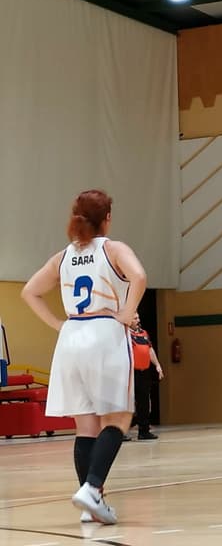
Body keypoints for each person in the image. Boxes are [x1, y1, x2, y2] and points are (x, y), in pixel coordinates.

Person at [21, 189, 147, 525]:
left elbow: (29, 291)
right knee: (118, 419)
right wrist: (126, 312)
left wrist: (58, 324)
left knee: (86, 426)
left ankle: (91, 503)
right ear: (107, 217)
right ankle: (92, 489)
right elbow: (139, 276)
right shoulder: (114, 249)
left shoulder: (62, 257)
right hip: (104, 334)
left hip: (72, 337)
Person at [127, 313, 164, 440]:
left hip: (144, 372)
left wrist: (157, 365)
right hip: (131, 373)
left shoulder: (143, 333)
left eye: (138, 318)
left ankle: (144, 431)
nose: (138, 320)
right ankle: (121, 432)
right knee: (127, 404)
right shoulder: (125, 334)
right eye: (135, 318)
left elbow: (150, 350)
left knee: (144, 403)